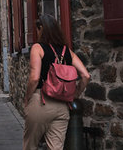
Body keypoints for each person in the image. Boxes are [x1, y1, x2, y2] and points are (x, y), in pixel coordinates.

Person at [23, 15, 91, 150]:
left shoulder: (38, 48)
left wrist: (26, 98)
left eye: (37, 29)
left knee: (30, 146)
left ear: (41, 28)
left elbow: (34, 78)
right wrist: (75, 95)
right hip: (62, 106)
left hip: (40, 101)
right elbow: (86, 75)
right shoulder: (67, 51)